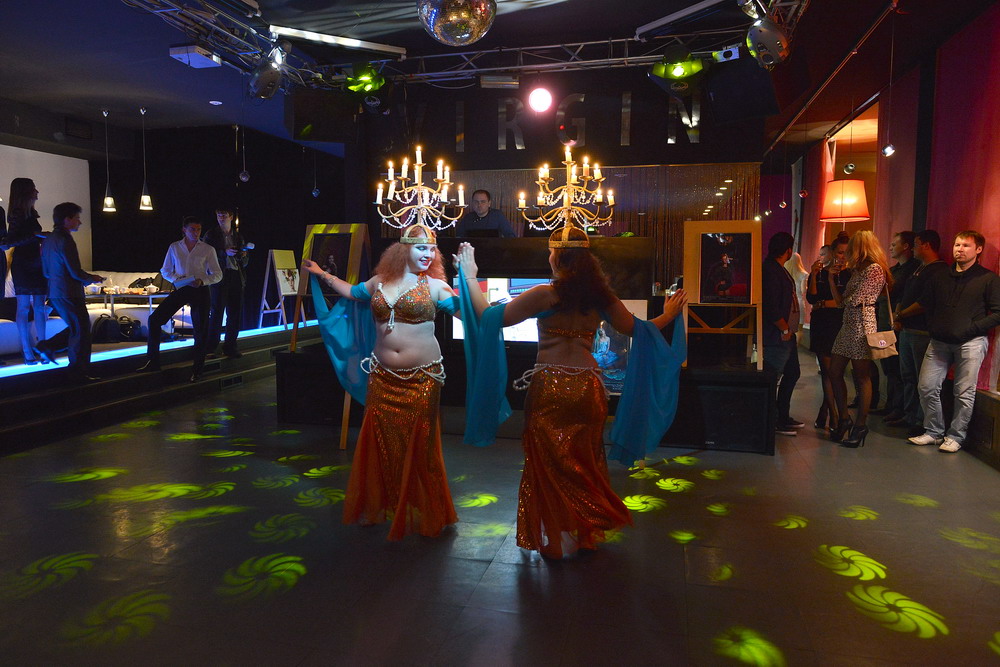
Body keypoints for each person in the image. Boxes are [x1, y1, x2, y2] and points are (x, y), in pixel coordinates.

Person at [455, 225, 688, 558]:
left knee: (550, 462)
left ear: (557, 257)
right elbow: (641, 331)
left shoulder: (544, 294)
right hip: (589, 389)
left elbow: (489, 317)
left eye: (551, 252)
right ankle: (583, 528)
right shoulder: (601, 298)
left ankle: (559, 536)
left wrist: (469, 276)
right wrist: (669, 313)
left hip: (550, 387)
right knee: (583, 461)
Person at [303, 224, 461, 540]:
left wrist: (471, 284)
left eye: (432, 249)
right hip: (382, 377)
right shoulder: (379, 282)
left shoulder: (436, 287)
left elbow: (466, 313)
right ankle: (378, 503)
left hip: (422, 378)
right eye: (421, 248)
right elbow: (352, 292)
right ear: (403, 249)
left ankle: (427, 509)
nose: (428, 254)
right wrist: (322, 274)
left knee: (421, 444)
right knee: (380, 442)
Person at [908, 230, 1000, 453]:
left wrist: (972, 329)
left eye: (966, 245)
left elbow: (998, 312)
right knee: (926, 386)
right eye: (957, 245)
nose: (960, 249)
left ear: (978, 249)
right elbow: (927, 304)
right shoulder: (940, 276)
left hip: (971, 342)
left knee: (963, 391)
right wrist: (934, 326)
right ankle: (933, 432)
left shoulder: (988, 278)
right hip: (939, 341)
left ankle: (956, 436)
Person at [827, 230, 892, 448]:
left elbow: (855, 299)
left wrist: (845, 291)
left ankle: (860, 425)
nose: (848, 252)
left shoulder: (874, 269)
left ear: (861, 247)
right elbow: (841, 302)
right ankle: (844, 418)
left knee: (861, 375)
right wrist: (832, 278)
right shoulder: (857, 270)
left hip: (863, 323)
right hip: (849, 323)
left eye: (852, 247)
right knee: (834, 371)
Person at [137, 217, 221, 382]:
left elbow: (217, 274)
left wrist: (202, 281)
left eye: (198, 229)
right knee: (155, 320)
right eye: (192, 229)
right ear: (184, 229)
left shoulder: (208, 249)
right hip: (182, 287)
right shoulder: (175, 247)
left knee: (200, 330)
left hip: (200, 290)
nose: (196, 233)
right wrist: (177, 278)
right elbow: (165, 270)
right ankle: (153, 361)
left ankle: (198, 370)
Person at [35, 203, 105, 381]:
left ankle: (48, 346)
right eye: (77, 218)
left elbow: (46, 271)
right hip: (69, 291)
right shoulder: (65, 240)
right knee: (81, 331)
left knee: (78, 328)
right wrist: (92, 278)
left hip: (55, 291)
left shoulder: (48, 240)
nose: (79, 222)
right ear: (67, 219)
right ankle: (78, 372)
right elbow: (75, 272)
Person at [892, 230, 946, 437]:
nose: (913, 248)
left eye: (915, 244)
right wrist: (899, 315)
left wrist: (901, 314)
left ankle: (921, 419)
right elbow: (905, 294)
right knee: (907, 375)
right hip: (907, 329)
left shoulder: (938, 270)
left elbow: (925, 302)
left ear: (926, 245)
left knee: (921, 378)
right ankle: (909, 414)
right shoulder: (918, 268)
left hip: (922, 331)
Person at [3, 178, 49, 365]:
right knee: (25, 307)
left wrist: (38, 236)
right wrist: (36, 235)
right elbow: (10, 241)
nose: (37, 192)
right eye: (33, 189)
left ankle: (41, 348)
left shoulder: (30, 214)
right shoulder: (17, 214)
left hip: (34, 262)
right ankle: (28, 349)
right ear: (26, 192)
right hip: (23, 263)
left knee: (38, 306)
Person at [806, 239, 851, 430]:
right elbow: (812, 298)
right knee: (827, 371)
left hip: (841, 323)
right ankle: (833, 414)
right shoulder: (820, 272)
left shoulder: (851, 274)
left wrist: (826, 303)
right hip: (822, 323)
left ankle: (825, 410)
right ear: (832, 252)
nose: (842, 256)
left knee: (835, 372)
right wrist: (814, 276)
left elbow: (846, 301)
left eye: (846, 253)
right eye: (839, 252)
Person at [762, 231, 803, 437]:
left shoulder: (777, 268)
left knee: (792, 372)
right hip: (778, 334)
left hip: (786, 333)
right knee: (773, 376)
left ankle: (782, 416)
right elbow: (771, 305)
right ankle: (774, 421)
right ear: (788, 250)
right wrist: (784, 327)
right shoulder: (771, 270)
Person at [876, 231, 918, 423]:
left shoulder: (913, 269)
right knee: (888, 366)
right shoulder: (894, 269)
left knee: (899, 368)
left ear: (906, 246)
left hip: (898, 324)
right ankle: (890, 405)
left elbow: (901, 295)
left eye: (894, 244)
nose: (891, 247)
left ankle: (900, 409)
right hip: (884, 322)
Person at [203, 206, 249, 359]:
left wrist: (243, 255)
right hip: (219, 276)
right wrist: (224, 252)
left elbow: (245, 262)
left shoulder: (238, 236)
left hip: (236, 275)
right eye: (219, 215)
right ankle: (211, 347)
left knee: (235, 313)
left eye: (224, 215)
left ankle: (230, 346)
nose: (221, 218)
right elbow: (206, 255)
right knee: (217, 312)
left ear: (230, 217)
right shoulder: (211, 234)